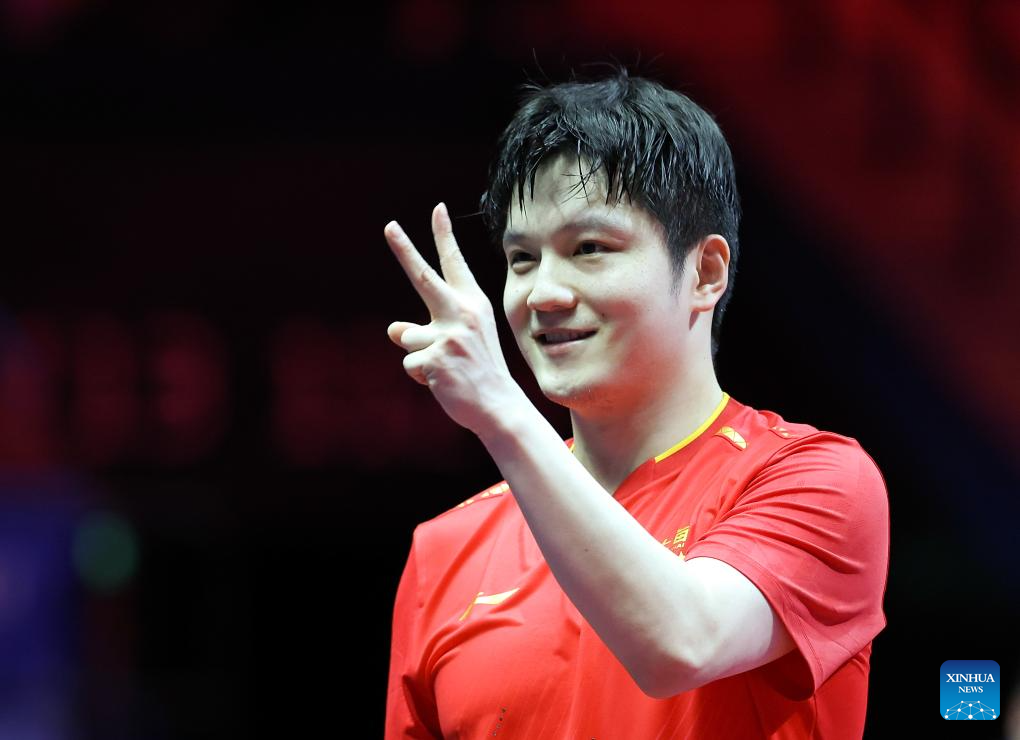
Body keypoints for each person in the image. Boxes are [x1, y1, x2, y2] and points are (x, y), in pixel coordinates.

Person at [382, 68, 889, 739]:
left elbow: (683, 643)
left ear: (705, 272)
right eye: (523, 258)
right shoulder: (444, 550)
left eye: (589, 249)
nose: (542, 294)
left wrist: (500, 409)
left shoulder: (819, 483)